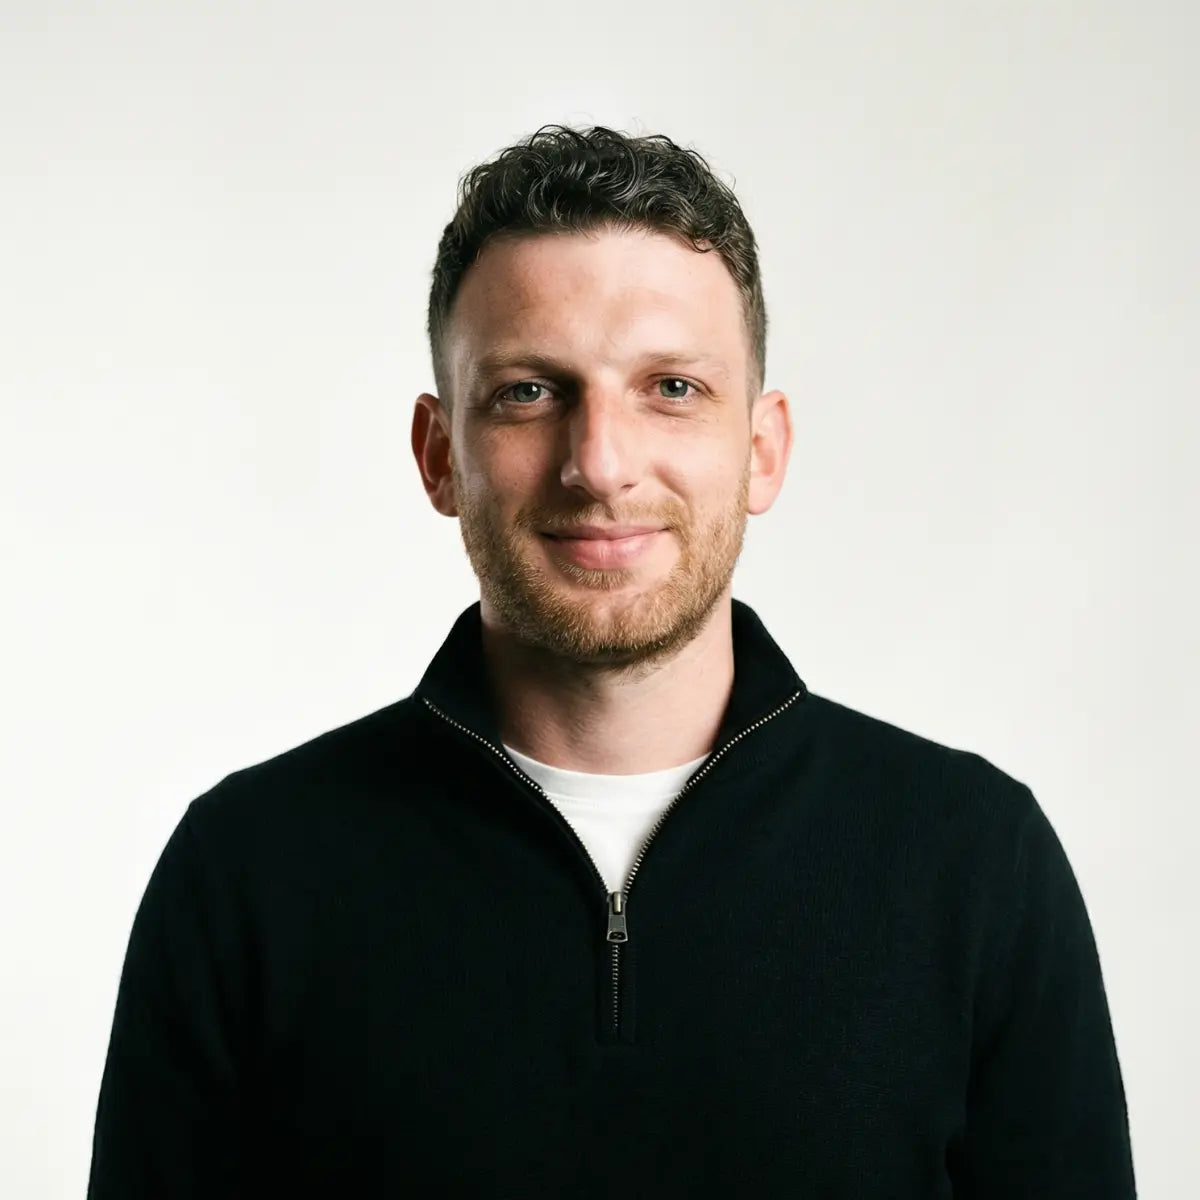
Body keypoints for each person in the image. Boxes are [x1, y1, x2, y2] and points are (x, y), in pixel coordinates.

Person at [87, 125, 1136, 1198]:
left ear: (762, 449)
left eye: (671, 388)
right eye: (529, 392)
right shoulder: (248, 873)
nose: (599, 465)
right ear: (440, 454)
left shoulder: (975, 865)